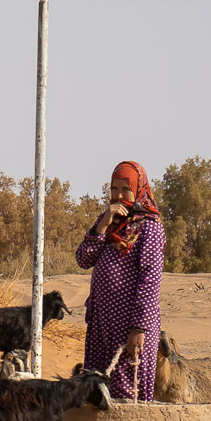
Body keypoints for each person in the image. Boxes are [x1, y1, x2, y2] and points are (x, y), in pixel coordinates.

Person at [75, 160, 163, 400]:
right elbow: (83, 259)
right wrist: (103, 223)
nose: (118, 195)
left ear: (139, 190)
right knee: (95, 389)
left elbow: (150, 280)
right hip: (101, 322)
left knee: (126, 390)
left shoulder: (149, 228)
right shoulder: (107, 222)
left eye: (126, 189)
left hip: (129, 326)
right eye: (114, 189)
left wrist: (138, 328)